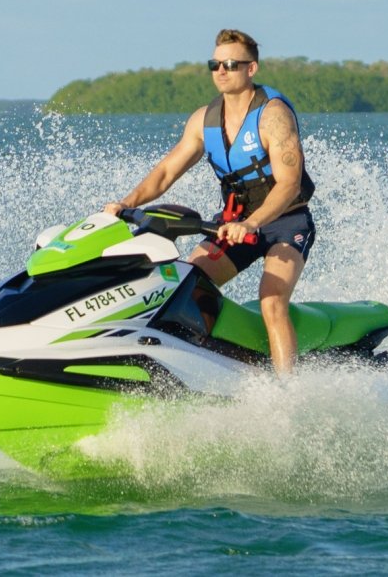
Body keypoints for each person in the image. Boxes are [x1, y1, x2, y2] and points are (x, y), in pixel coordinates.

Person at [104, 28, 316, 374]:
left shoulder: (273, 115)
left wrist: (251, 224)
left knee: (272, 300)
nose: (221, 70)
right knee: (184, 285)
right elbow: (165, 173)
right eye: (214, 64)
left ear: (251, 69)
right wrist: (124, 203)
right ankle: (204, 365)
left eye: (231, 64)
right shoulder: (204, 121)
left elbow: (290, 184)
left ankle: (285, 391)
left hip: (285, 223)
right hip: (232, 223)